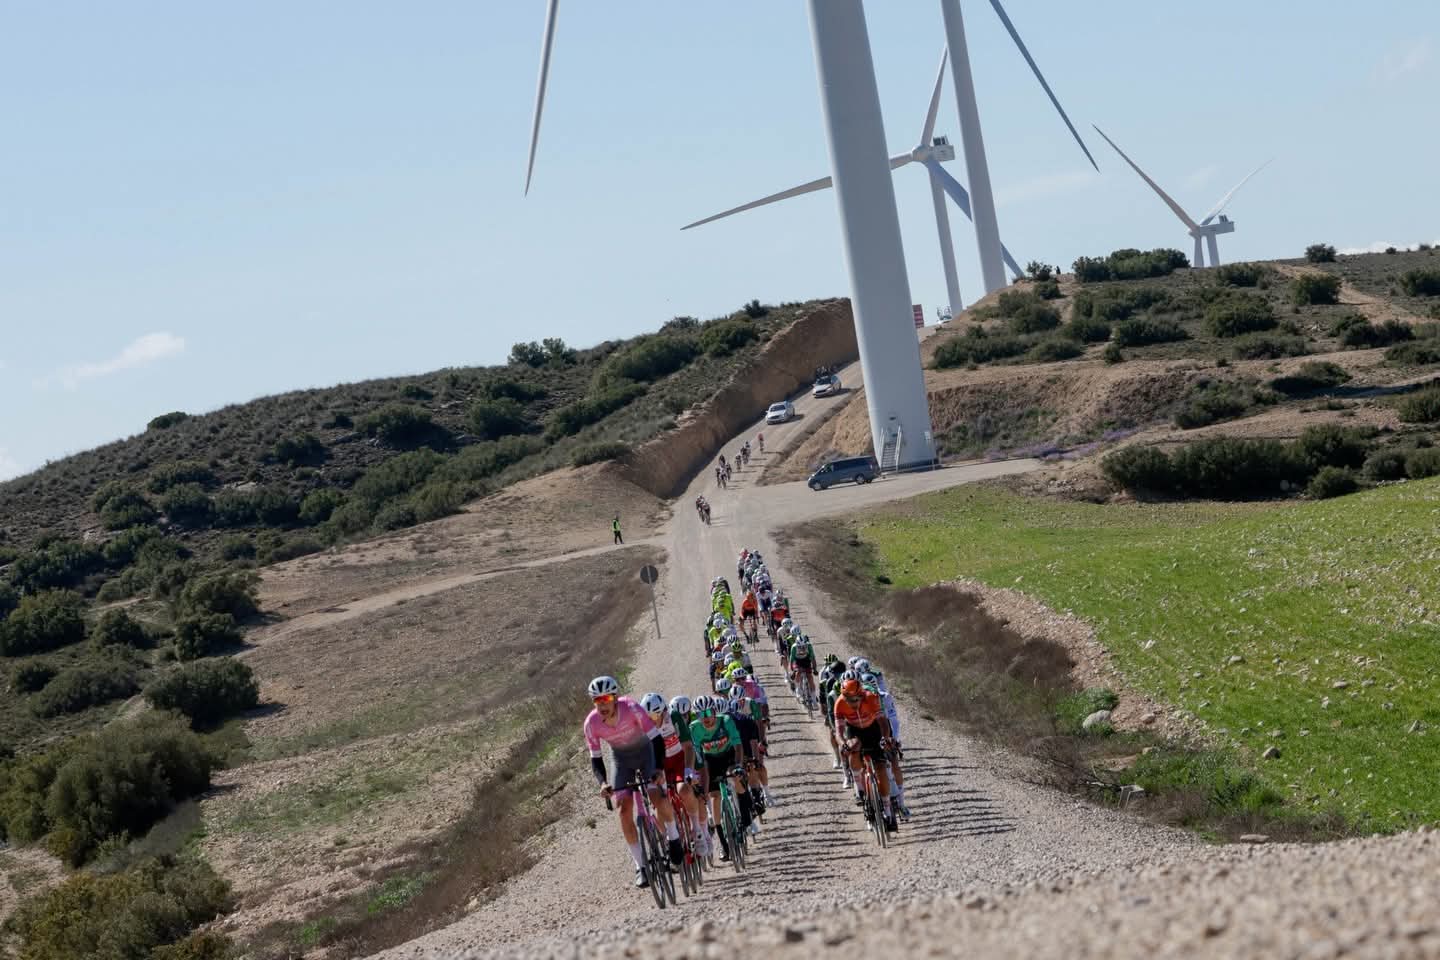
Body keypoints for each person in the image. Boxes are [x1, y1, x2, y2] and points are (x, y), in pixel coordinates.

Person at [583, 676, 683, 888]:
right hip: (621, 760)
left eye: (606, 698)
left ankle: (673, 836)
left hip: (646, 754)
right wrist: (603, 783)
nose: (602, 705)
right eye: (597, 700)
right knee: (623, 809)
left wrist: (658, 769)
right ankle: (640, 866)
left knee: (656, 796)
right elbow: (596, 758)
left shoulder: (631, 708)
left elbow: (656, 739)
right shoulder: (591, 723)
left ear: (615, 698)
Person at [641, 692, 711, 857]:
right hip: (660, 765)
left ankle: (697, 830)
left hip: (679, 759)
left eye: (655, 716)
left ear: (664, 711)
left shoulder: (673, 717)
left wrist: (688, 770)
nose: (652, 720)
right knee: (659, 801)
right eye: (648, 717)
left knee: (684, 790)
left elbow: (688, 747)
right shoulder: (643, 725)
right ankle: (668, 838)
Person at [689, 695, 753, 860]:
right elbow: (698, 757)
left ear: (714, 711)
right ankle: (723, 842)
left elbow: (738, 745)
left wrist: (738, 765)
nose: (705, 718)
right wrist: (700, 779)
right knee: (714, 796)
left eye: (708, 713)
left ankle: (746, 815)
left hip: (729, 755)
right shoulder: (694, 728)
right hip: (710, 760)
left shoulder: (725, 720)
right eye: (700, 715)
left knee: (736, 777)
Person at [833, 677, 898, 833]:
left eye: (854, 699)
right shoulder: (839, 703)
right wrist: (843, 744)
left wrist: (885, 738)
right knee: (853, 747)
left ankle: (888, 811)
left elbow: (883, 722)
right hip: (854, 731)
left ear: (861, 695)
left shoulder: (870, 697)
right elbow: (838, 732)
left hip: (873, 729)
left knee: (881, 769)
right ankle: (859, 787)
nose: (851, 703)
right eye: (848, 700)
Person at [790, 632, 818, 705]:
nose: (802, 648)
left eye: (804, 646)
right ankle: (798, 688)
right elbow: (792, 660)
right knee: (798, 672)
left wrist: (814, 669)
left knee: (810, 678)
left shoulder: (809, 646)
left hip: (806, 660)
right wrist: (793, 671)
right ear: (797, 645)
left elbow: (813, 658)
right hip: (798, 661)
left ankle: (814, 698)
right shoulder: (794, 647)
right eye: (800, 646)